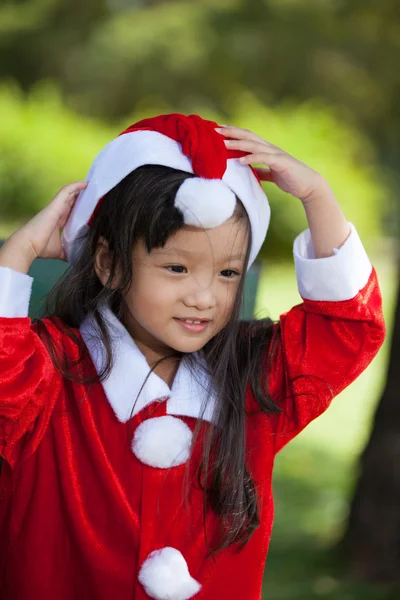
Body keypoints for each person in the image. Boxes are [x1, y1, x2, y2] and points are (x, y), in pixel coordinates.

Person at [0, 113, 385, 600]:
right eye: (177, 267)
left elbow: (348, 328)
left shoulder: (253, 382)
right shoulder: (48, 375)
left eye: (227, 274)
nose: (203, 297)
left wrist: (318, 197)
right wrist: (20, 251)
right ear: (109, 263)